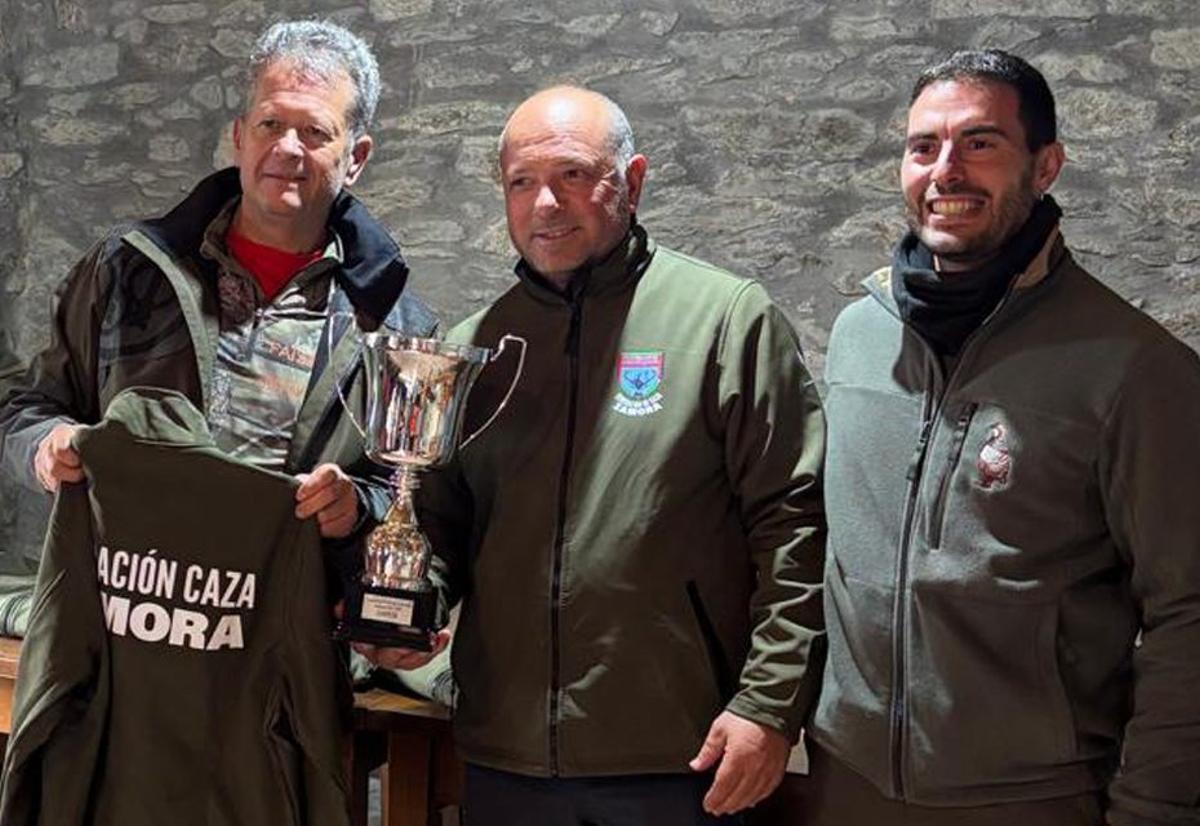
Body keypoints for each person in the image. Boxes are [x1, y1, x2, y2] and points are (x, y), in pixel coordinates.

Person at [358, 86, 827, 824]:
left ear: (632, 181)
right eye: (522, 182)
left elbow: (795, 530)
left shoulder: (727, 321)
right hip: (505, 757)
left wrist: (768, 705)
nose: (545, 203)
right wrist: (407, 614)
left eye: (574, 175)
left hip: (682, 756)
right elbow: (441, 526)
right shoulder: (478, 346)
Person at [807, 49, 1200, 825]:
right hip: (843, 783)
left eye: (980, 143)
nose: (945, 170)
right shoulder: (859, 336)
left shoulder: (1135, 370)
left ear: (1046, 165)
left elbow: (1189, 612)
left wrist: (1155, 807)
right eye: (924, 147)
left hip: (1031, 797)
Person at [0, 21, 435, 552]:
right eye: (270, 123)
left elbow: (410, 494)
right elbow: (26, 410)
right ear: (238, 136)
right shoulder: (127, 270)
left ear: (357, 158)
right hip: (125, 612)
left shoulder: (395, 327)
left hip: (285, 623)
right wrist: (44, 447)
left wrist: (357, 507)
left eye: (316, 132)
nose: (288, 148)